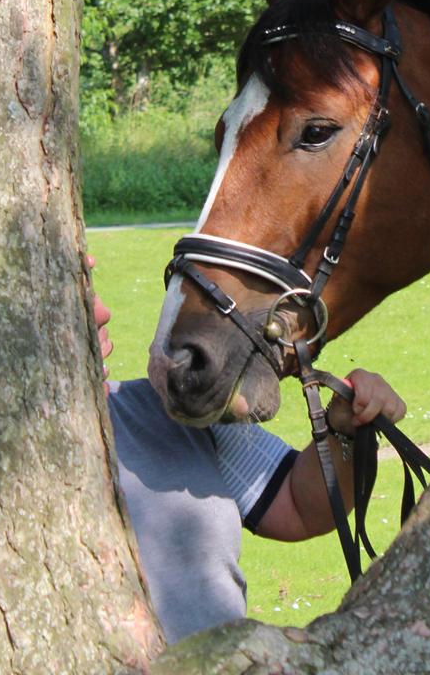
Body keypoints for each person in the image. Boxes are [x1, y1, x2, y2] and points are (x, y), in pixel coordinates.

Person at [86, 256, 406, 643]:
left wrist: (345, 430)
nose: (103, 313)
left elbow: (300, 506)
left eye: (92, 286)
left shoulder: (168, 409)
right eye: (75, 294)